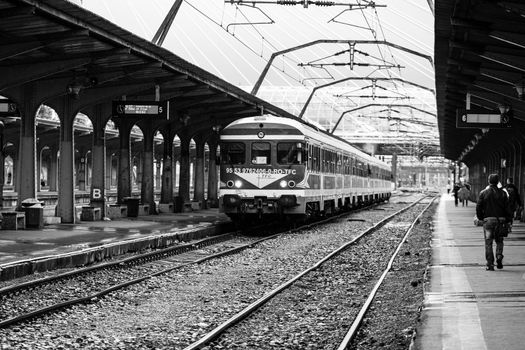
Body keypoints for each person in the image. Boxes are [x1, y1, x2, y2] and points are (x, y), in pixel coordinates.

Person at [476, 174, 513, 271]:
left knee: (488, 243)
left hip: (488, 221)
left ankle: (490, 264)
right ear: (497, 182)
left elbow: (478, 207)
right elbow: (508, 208)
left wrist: (481, 218)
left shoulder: (483, 193)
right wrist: (509, 220)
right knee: (499, 240)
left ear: (489, 181)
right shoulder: (503, 193)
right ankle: (499, 255)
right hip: (501, 221)